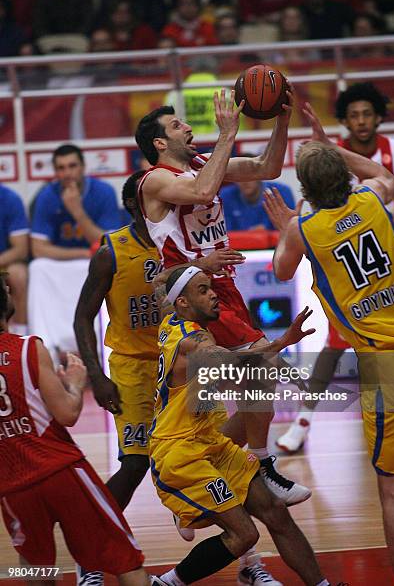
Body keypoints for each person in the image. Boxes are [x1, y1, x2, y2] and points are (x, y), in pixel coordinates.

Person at [264, 104, 394, 586]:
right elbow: (381, 173)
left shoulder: (305, 230)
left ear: (305, 191)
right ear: (343, 176)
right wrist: (330, 147)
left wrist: (286, 229)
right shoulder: (375, 202)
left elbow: (280, 270)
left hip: (386, 364)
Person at [74, 172, 274, 586]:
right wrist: (97, 375)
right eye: (161, 201)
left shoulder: (182, 244)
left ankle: (248, 560)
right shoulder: (111, 250)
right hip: (134, 367)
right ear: (138, 206)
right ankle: (89, 556)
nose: (168, 206)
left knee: (215, 453)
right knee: (134, 465)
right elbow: (82, 317)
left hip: (184, 366)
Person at [135, 88, 312, 507]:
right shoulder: (155, 180)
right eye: (177, 125)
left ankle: (201, 464)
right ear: (160, 143)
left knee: (253, 383)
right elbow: (200, 192)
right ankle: (261, 466)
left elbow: (267, 167)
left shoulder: (200, 162)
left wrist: (280, 121)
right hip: (190, 290)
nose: (188, 126)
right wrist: (228, 132)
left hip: (222, 285)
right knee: (260, 372)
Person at [149, 266, 334, 586]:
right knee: (243, 534)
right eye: (203, 290)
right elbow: (226, 359)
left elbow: (163, 287)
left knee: (276, 511)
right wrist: (281, 343)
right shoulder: (192, 341)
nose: (213, 294)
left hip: (208, 440)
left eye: (211, 288)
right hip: (180, 453)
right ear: (182, 302)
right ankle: (165, 583)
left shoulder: (173, 319)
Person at [277, 81, 394, 452]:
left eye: (367, 114)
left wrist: (387, 225)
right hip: (347, 254)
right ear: (345, 121)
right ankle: (303, 419)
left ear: (378, 116)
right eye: (354, 115)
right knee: (334, 344)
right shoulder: (334, 155)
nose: (361, 121)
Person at [0, 273, 150, 586]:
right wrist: (76, 383)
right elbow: (68, 414)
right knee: (126, 560)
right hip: (59, 471)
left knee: (33, 565)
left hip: (12, 486)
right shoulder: (28, 348)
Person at [31, 143, 121, 260]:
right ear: (55, 171)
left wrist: (77, 211)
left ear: (83, 167)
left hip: (97, 260)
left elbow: (110, 245)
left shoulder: (104, 191)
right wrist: (84, 253)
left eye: (72, 166)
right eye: (61, 168)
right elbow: (38, 249)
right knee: (38, 266)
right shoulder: (47, 195)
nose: (67, 173)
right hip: (62, 260)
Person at [0, 184, 29, 335]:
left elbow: (21, 248)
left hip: (3, 263)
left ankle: (20, 335)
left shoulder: (10, 199)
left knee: (18, 274)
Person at [222, 175, 295, 231]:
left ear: (259, 176)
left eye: (250, 176)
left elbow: (290, 226)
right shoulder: (225, 195)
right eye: (240, 177)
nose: (245, 181)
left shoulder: (281, 191)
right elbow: (226, 232)